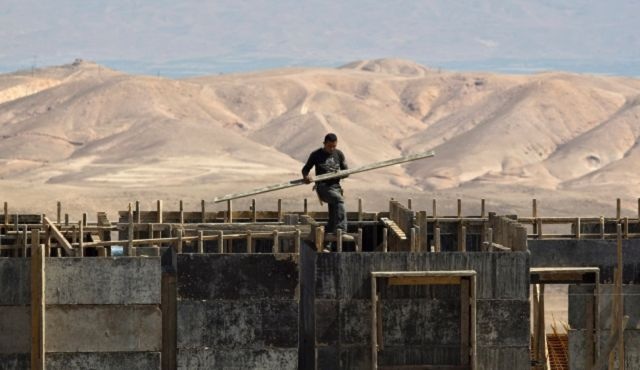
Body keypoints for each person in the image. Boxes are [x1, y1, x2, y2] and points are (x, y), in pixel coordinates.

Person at [301, 133, 350, 250]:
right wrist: (306, 177)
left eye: (334, 146)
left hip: (336, 187)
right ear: (324, 144)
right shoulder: (316, 155)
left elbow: (346, 172)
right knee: (339, 200)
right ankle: (341, 229)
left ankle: (327, 243)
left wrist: (341, 174)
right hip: (323, 187)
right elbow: (305, 169)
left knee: (334, 216)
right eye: (329, 146)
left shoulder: (339, 154)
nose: (332, 149)